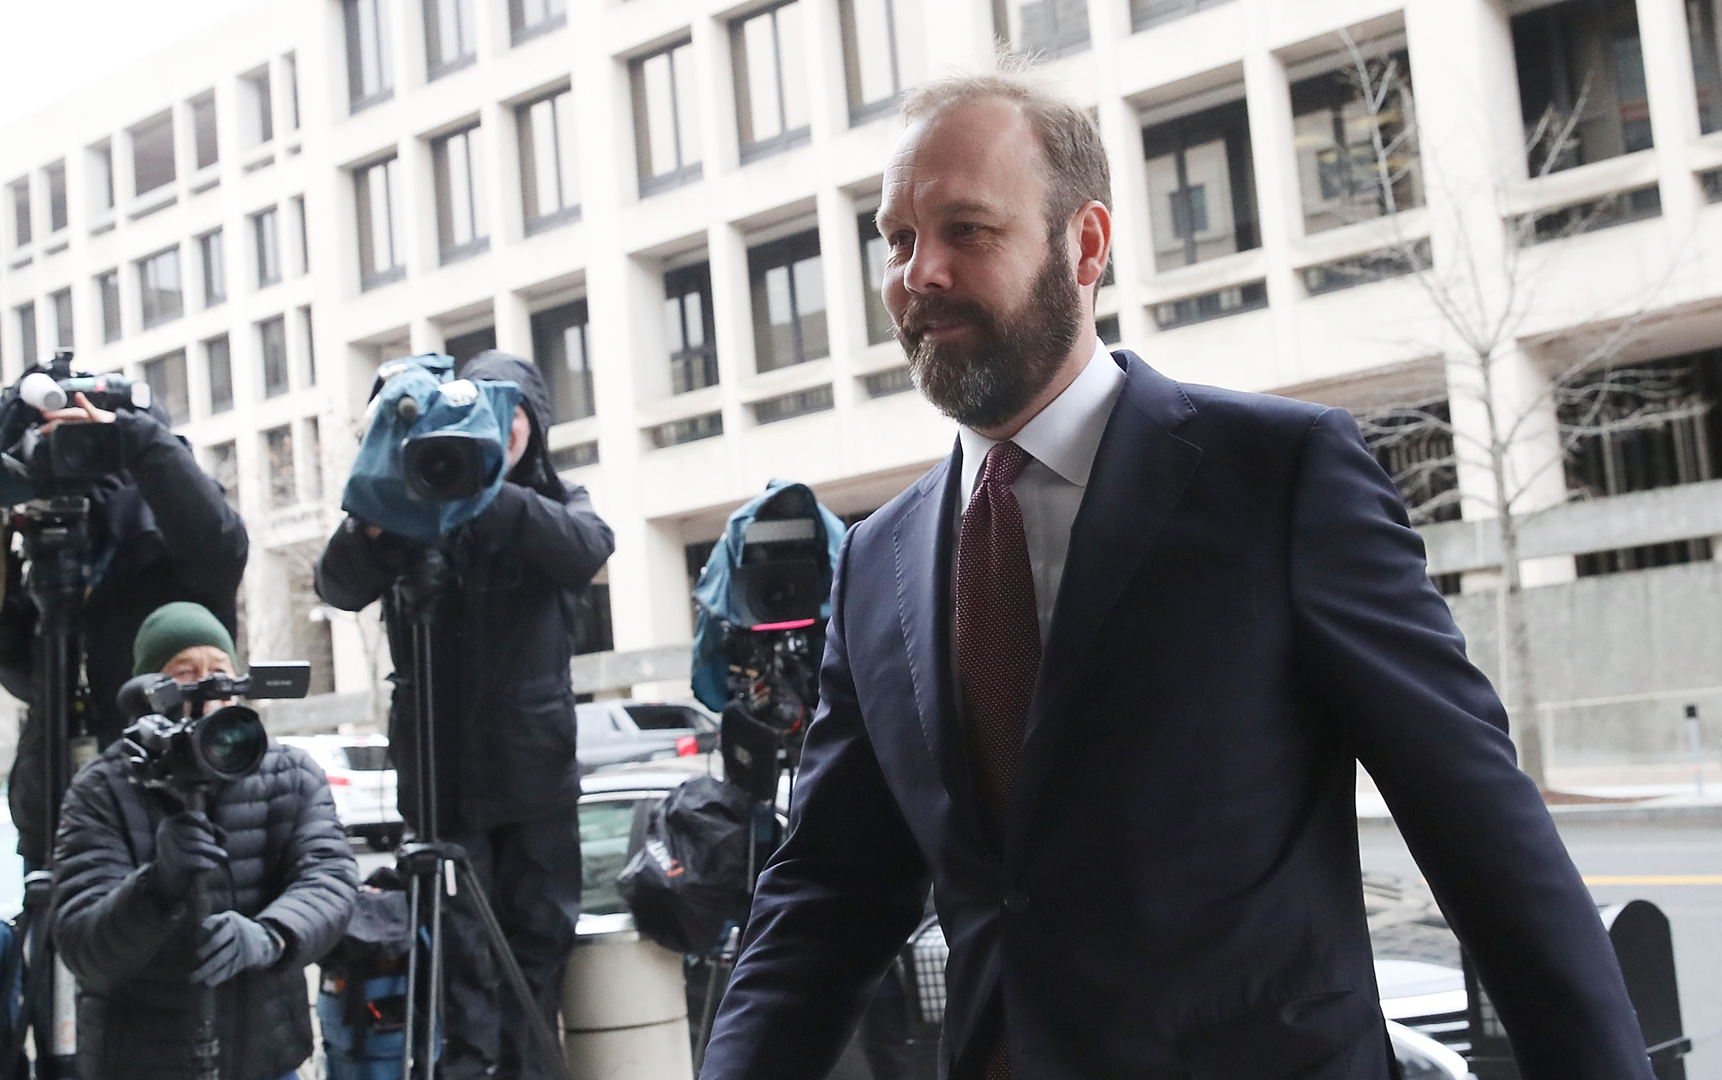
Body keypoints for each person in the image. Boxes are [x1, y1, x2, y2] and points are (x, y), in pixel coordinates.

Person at [699, 73, 1655, 1080]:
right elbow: (827, 898)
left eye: (966, 231)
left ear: (1088, 244)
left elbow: (1484, 838)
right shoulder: (877, 563)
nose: (917, 274)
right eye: (896, 240)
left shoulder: (1282, 478)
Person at [314, 350, 615, 1080]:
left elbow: (587, 550)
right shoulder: (410, 503)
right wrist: (390, 508)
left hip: (534, 783)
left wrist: (487, 492)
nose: (502, 429)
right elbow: (337, 583)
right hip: (441, 785)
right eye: (489, 412)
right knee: (461, 960)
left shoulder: (550, 501)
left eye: (515, 416)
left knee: (534, 951)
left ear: (534, 426)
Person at [52, 601, 358, 1080]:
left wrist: (269, 936)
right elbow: (83, 948)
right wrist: (156, 888)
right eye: (185, 674)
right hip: (139, 1064)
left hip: (268, 1060)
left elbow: (331, 879)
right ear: (151, 692)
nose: (208, 691)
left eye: (219, 672)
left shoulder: (291, 775)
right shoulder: (103, 788)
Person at [0, 390, 248, 866]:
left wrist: (132, 436)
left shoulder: (180, 555)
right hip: (57, 819)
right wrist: (4, 571)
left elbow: (221, 539)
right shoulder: (57, 559)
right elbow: (21, 676)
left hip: (175, 808)